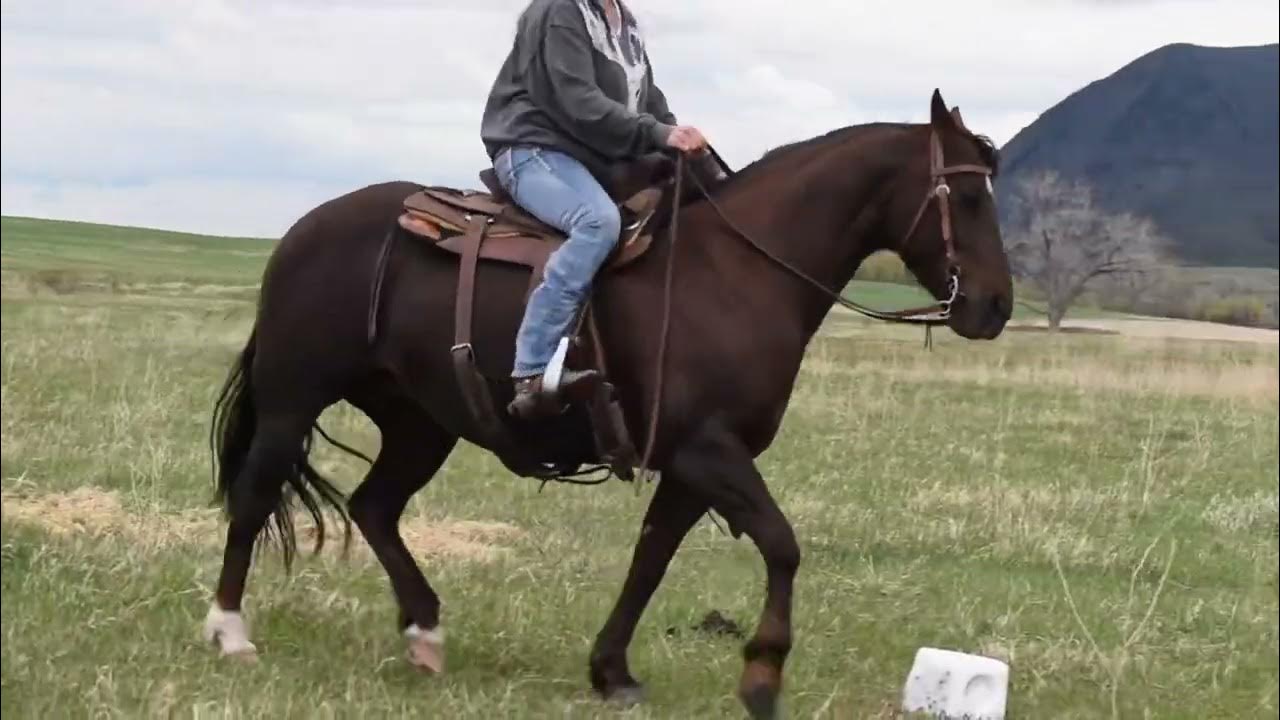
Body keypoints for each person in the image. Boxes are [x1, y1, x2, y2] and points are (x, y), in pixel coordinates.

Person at [480, 0, 709, 419]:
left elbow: (649, 101)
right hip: (534, 149)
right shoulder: (560, 12)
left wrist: (679, 141)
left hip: (595, 159)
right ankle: (532, 368)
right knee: (596, 223)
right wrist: (659, 134)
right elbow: (577, 101)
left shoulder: (624, 23)